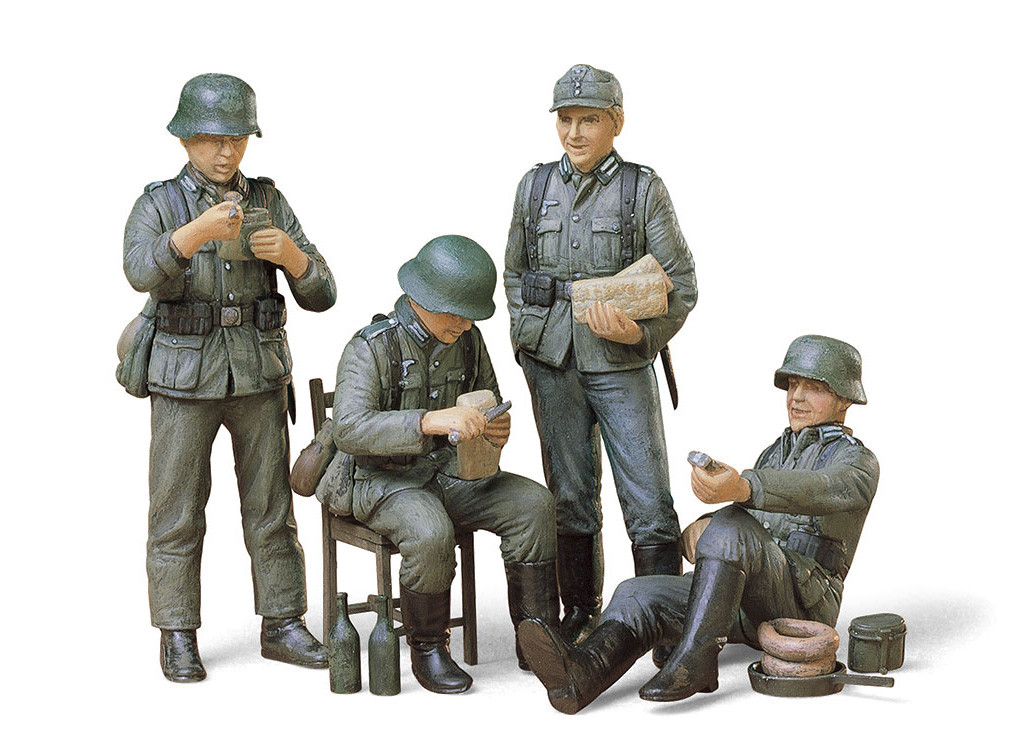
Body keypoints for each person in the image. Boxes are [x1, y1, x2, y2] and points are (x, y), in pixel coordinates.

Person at [518, 335, 880, 713]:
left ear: (845, 399)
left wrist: (742, 488)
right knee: (636, 593)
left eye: (814, 388)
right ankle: (580, 674)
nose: (796, 397)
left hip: (803, 608)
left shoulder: (858, 463)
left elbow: (821, 488)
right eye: (792, 385)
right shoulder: (776, 452)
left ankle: (697, 659)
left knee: (730, 525)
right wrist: (703, 528)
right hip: (743, 598)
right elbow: (750, 524)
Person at [122, 73, 337, 682]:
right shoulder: (159, 204)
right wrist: (193, 236)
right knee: (177, 511)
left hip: (258, 374)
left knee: (271, 508)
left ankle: (283, 621)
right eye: (213, 139)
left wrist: (290, 257)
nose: (225, 152)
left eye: (237, 139)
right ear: (185, 138)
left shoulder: (268, 199)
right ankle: (177, 631)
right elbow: (138, 271)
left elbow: (323, 291)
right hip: (183, 377)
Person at [504, 64, 698, 644]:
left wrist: (639, 335)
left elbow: (682, 284)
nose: (574, 133)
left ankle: (663, 623)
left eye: (588, 120)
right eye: (565, 119)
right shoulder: (534, 188)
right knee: (569, 493)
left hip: (621, 362)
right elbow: (515, 274)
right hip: (552, 361)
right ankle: (580, 611)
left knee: (647, 495)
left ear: (617, 123)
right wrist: (526, 341)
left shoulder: (642, 189)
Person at [327, 235, 558, 694]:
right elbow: (348, 430)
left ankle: (537, 636)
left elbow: (488, 401)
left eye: (471, 314)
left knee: (534, 505)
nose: (465, 323)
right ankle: (429, 647)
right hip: (380, 480)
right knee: (430, 531)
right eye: (457, 312)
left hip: (449, 475)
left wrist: (495, 428)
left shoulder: (468, 341)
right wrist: (428, 421)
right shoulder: (371, 347)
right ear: (424, 297)